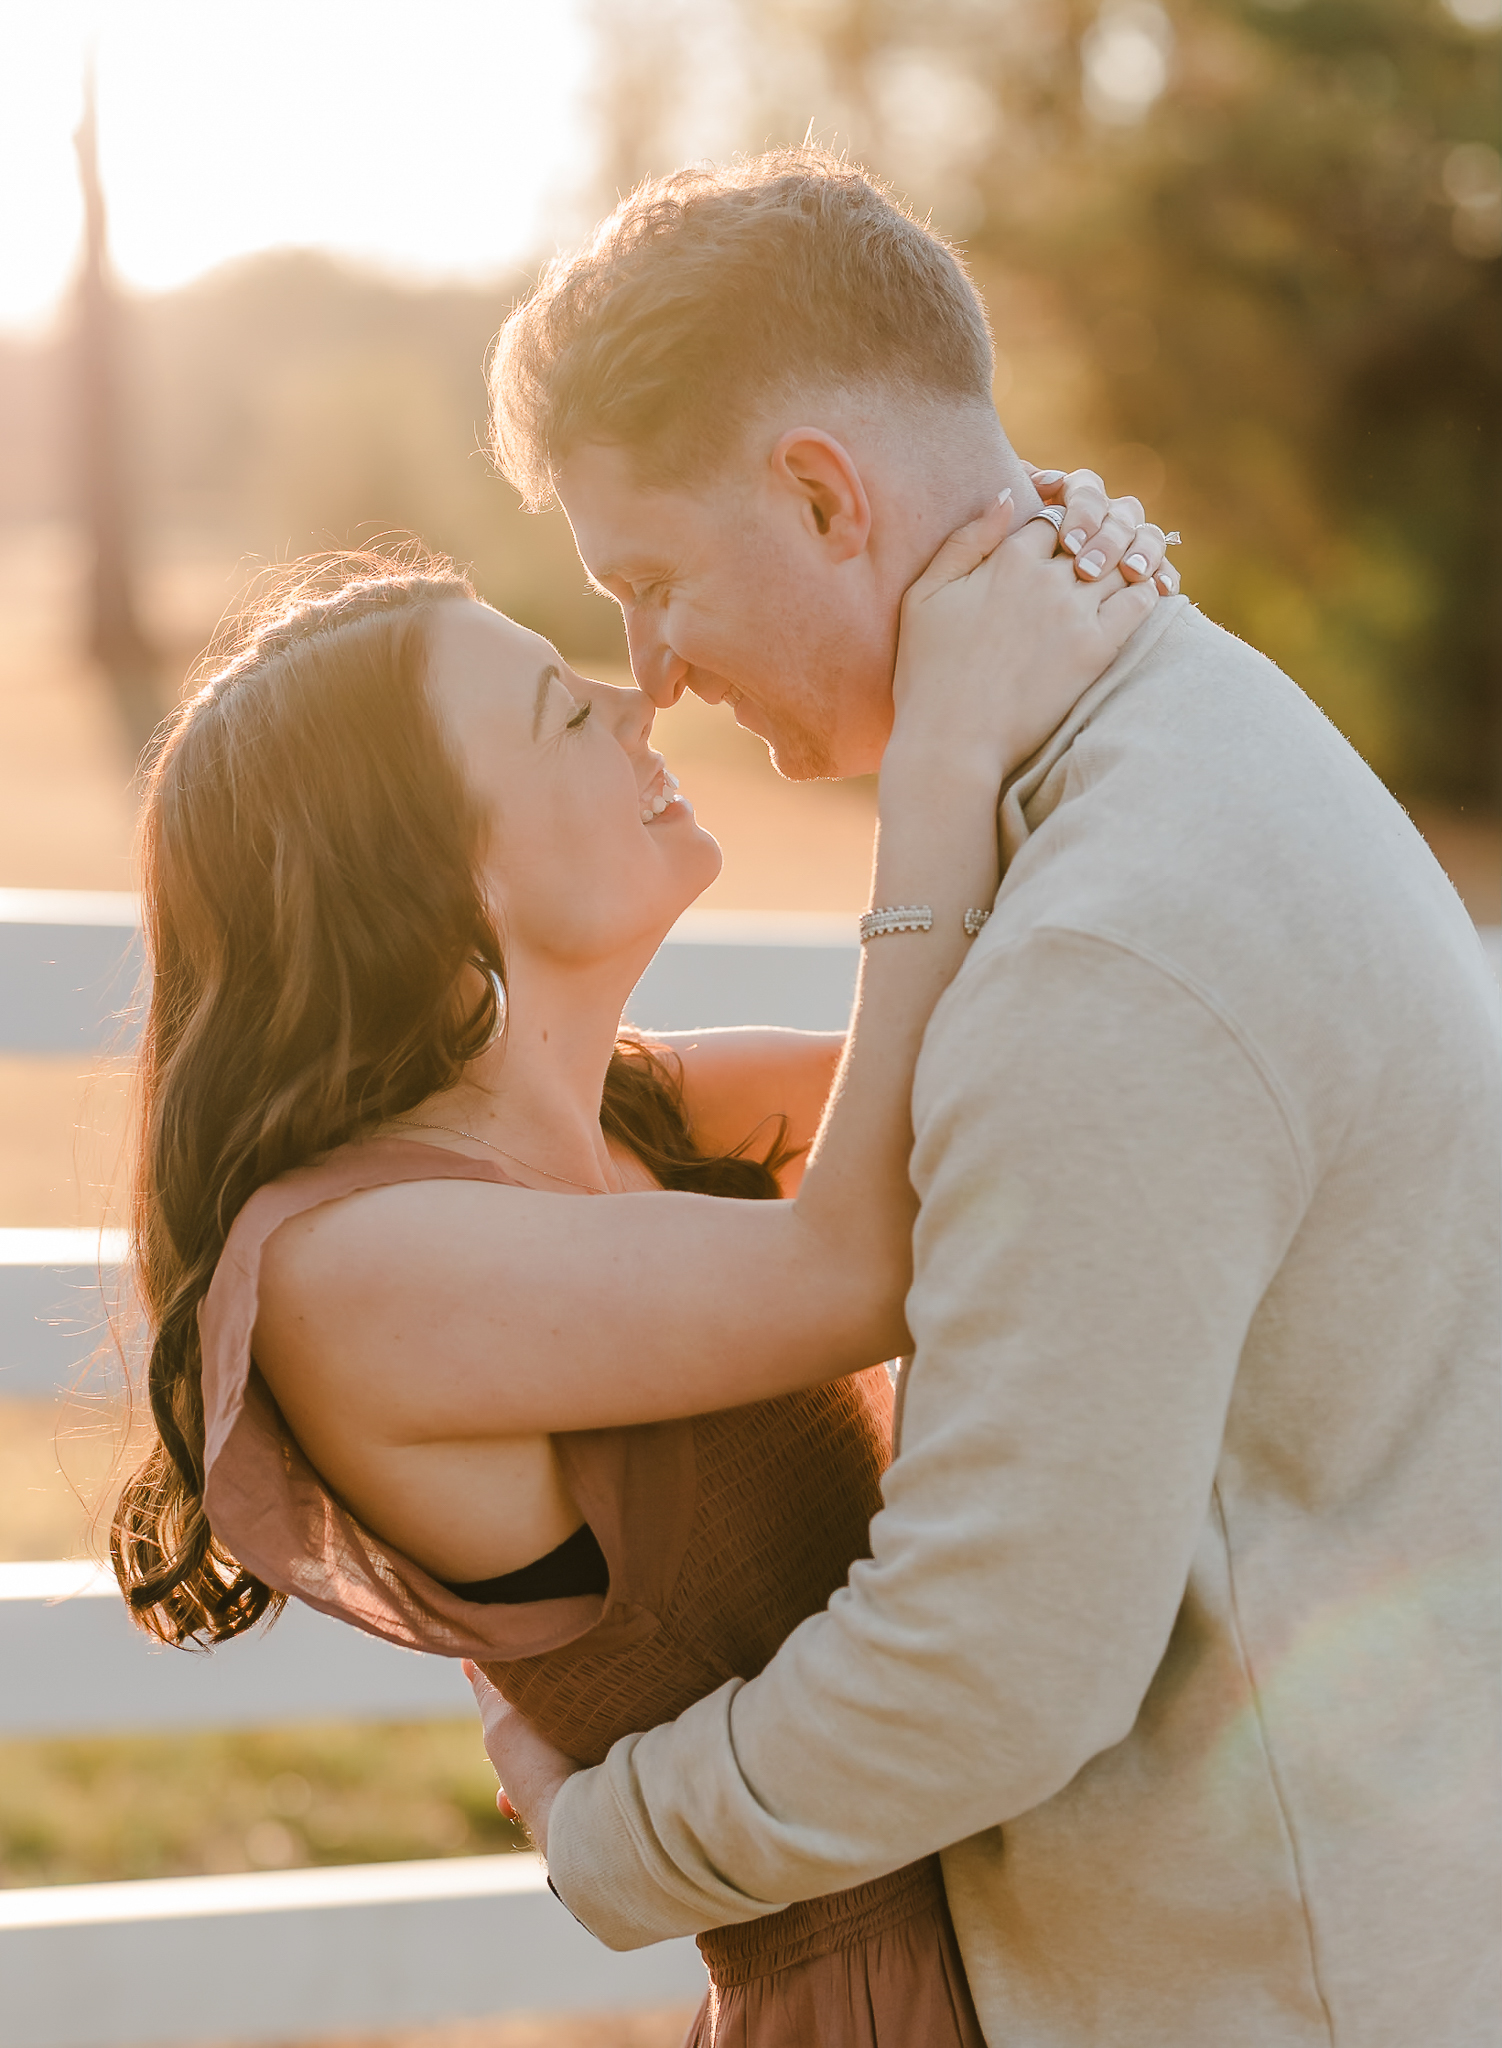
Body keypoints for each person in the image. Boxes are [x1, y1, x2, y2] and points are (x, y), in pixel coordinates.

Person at [470, 149, 1502, 2047]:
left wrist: (607, 1835)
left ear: (818, 493)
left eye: (652, 582)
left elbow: (995, 1668)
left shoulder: (1110, 948)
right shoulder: (1178, 722)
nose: (656, 672)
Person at [111, 484, 1164, 2044]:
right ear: (443, 881)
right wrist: (938, 760)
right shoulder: (355, 1273)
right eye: (558, 709)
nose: (638, 694)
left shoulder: (634, 1110)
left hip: (1055, 1938)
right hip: (899, 1998)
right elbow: (852, 1261)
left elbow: (995, 1079)